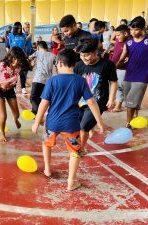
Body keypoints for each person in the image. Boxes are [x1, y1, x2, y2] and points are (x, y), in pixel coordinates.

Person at [31, 48, 105, 191]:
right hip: (71, 124)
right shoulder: (81, 81)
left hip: (52, 122)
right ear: (74, 64)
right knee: (74, 151)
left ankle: (47, 169)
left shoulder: (52, 81)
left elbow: (44, 104)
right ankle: (71, 182)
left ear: (59, 64)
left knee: (46, 144)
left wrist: (36, 122)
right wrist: (100, 122)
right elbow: (91, 103)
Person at [116, 16, 148, 128]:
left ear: (143, 28)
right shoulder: (128, 43)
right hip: (129, 75)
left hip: (142, 76)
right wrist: (112, 67)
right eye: (131, 29)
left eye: (136, 29)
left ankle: (128, 125)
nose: (133, 32)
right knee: (130, 100)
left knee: (130, 101)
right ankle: (134, 117)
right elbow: (120, 60)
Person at [74, 37, 118, 151]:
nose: (84, 58)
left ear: (95, 52)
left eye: (87, 55)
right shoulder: (79, 65)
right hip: (80, 102)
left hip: (98, 102)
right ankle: (91, 127)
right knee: (77, 126)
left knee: (83, 128)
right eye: (81, 55)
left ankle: (81, 149)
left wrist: (112, 99)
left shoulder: (107, 65)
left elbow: (113, 82)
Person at [0, 47, 30, 142]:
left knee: (17, 114)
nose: (17, 61)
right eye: (15, 58)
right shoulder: (3, 65)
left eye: (19, 59)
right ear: (11, 57)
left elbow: (29, 66)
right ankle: (2, 133)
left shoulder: (19, 68)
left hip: (10, 91)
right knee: (3, 115)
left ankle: (15, 120)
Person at [28, 41, 56, 114]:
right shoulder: (53, 55)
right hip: (48, 81)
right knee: (42, 99)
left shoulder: (37, 53)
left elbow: (28, 59)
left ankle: (37, 112)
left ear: (38, 47)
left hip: (38, 79)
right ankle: (35, 113)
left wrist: (32, 63)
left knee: (33, 98)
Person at [6, 22, 32, 94]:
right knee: (14, 72)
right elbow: (7, 46)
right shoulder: (10, 36)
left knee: (22, 72)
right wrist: (9, 54)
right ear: (15, 28)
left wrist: (27, 55)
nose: (20, 30)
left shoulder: (23, 35)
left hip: (22, 56)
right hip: (13, 56)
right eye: (18, 28)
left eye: (20, 28)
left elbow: (26, 45)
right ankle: (13, 87)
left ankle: (23, 88)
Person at [110, 25, 130, 112]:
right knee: (115, 84)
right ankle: (116, 100)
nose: (116, 38)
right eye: (116, 35)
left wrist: (129, 57)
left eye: (118, 35)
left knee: (120, 86)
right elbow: (117, 48)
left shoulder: (129, 42)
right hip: (115, 67)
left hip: (123, 68)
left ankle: (119, 104)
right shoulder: (118, 41)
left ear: (125, 33)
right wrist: (111, 50)